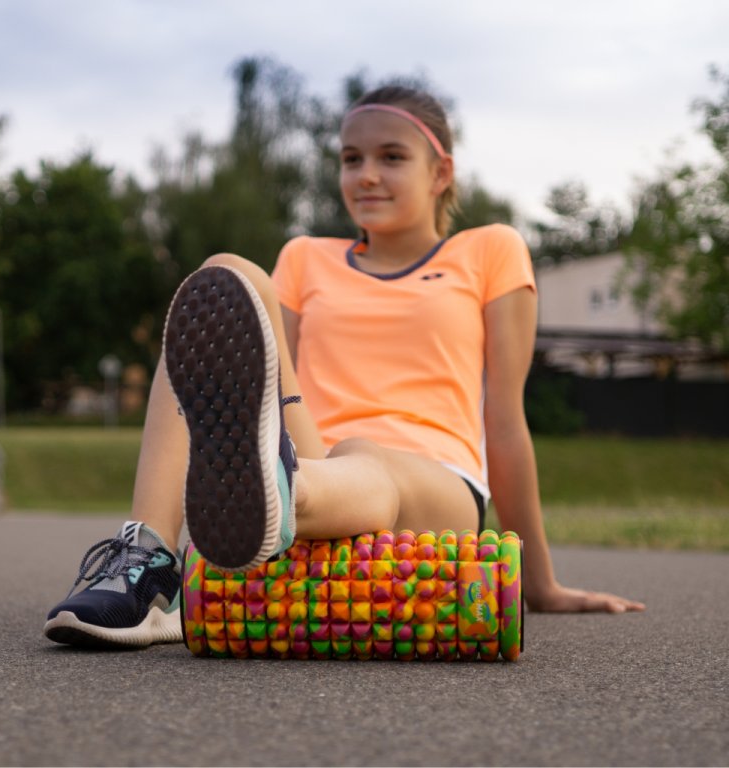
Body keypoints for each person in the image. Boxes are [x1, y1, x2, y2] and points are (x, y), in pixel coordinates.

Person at [43, 81, 645, 649]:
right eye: (351, 159)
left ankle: (274, 497)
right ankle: (149, 565)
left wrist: (538, 582)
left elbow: (506, 421)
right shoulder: (305, 257)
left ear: (443, 173)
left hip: (433, 482)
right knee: (221, 278)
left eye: (390, 157)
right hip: (315, 455)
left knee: (368, 454)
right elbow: (275, 377)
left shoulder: (489, 250)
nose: (367, 175)